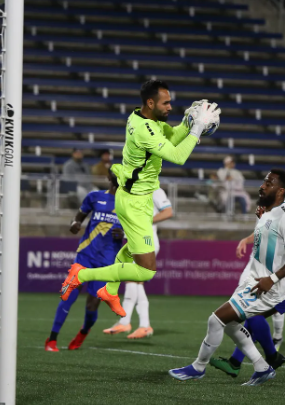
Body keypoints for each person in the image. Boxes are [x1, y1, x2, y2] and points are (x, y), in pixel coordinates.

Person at [59, 83, 219, 317]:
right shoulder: (145, 129)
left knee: (132, 251)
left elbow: (173, 137)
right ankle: (80, 275)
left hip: (139, 198)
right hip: (134, 202)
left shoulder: (144, 119)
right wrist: (197, 130)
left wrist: (188, 124)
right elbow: (178, 155)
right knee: (146, 271)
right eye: (166, 102)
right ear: (151, 103)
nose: (170, 106)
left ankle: (110, 290)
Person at [168, 170, 285, 386]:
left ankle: (198, 367)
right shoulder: (268, 212)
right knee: (231, 324)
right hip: (253, 281)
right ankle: (262, 368)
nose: (262, 186)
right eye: (263, 181)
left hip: (266, 287)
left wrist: (272, 278)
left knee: (216, 319)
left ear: (280, 191)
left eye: (268, 183)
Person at [210, 169, 285, 378]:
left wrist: (276, 273)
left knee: (253, 315)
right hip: (284, 276)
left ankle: (271, 357)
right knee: (253, 315)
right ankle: (237, 362)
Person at [46, 169, 123, 352]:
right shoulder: (94, 197)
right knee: (68, 295)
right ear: (109, 178)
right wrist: (74, 224)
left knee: (92, 304)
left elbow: (136, 231)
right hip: (85, 255)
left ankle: (83, 333)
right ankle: (52, 340)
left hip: (107, 262)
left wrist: (124, 234)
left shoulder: (130, 205)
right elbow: (78, 217)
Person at [105, 185, 173, 339]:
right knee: (136, 283)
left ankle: (126, 321)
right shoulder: (134, 190)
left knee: (132, 279)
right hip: (136, 242)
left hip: (146, 242)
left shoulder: (154, 189)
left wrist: (144, 222)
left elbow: (168, 212)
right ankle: (144, 325)